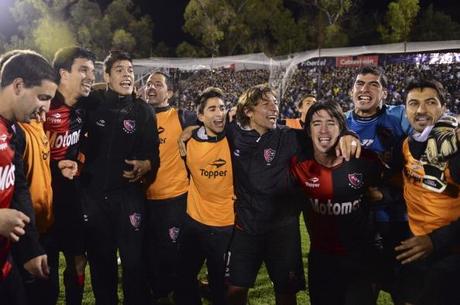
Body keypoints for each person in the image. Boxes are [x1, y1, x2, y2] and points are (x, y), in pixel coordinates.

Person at [219, 84, 360, 305]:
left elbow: (323, 133)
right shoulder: (232, 134)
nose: (274, 107)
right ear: (248, 111)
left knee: (286, 291)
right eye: (266, 104)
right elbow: (202, 128)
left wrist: (348, 133)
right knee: (235, 290)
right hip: (246, 227)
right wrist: (189, 131)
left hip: (283, 229)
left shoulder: (290, 136)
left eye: (275, 102)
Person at [78, 50, 159, 305]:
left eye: (130, 70)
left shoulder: (144, 111)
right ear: (107, 76)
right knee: (102, 265)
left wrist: (147, 164)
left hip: (129, 198)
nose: (127, 75)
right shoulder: (92, 102)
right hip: (95, 199)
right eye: (120, 70)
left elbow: (153, 154)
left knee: (134, 264)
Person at [291, 100, 383, 305]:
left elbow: (391, 188)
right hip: (322, 260)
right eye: (316, 123)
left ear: (342, 128)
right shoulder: (298, 165)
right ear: (307, 131)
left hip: (360, 257)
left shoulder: (365, 160)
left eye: (331, 122)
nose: (323, 129)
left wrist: (382, 195)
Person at [344, 66, 412, 299]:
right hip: (355, 224)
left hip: (395, 221)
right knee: (362, 292)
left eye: (374, 84)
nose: (365, 88)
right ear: (351, 91)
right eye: (360, 84)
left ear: (384, 93)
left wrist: (386, 194)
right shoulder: (339, 123)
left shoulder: (399, 116)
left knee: (403, 292)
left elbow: (431, 125)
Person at [393, 78, 460, 305]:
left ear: (443, 106)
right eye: (413, 103)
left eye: (430, 102)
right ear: (405, 109)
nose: (421, 110)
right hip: (419, 249)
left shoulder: (455, 152)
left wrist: (435, 240)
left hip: (451, 253)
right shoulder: (405, 145)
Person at [39, 46, 96, 305]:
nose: (91, 76)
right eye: (83, 69)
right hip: (42, 198)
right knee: (44, 266)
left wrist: (77, 161)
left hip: (72, 197)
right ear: (63, 73)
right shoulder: (42, 103)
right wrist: (55, 166)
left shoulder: (87, 105)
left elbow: (85, 141)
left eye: (93, 71)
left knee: (78, 261)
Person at [0, 50, 57, 305]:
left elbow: (19, 189)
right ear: (18, 85)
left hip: (6, 262)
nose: (46, 108)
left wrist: (30, 248)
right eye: (43, 97)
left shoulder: (14, 132)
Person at [175, 87, 234, 305]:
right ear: (200, 116)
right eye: (212, 109)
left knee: (221, 287)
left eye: (222, 108)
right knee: (183, 278)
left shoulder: (235, 137)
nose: (219, 113)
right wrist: (188, 130)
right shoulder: (188, 141)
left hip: (225, 225)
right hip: (195, 221)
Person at [143, 71, 196, 302]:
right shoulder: (136, 118)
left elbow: (212, 124)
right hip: (141, 200)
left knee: (174, 254)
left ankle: (182, 292)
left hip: (174, 198)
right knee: (148, 256)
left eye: (158, 84)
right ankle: (160, 294)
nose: (151, 87)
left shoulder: (182, 117)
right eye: (148, 83)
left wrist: (193, 129)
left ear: (170, 92)